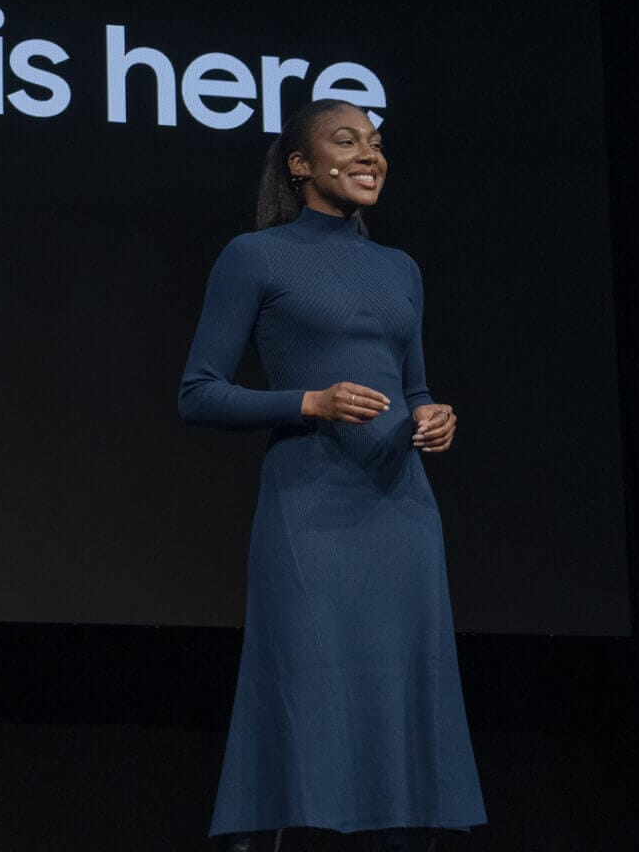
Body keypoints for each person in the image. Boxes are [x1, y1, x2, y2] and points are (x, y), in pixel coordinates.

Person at [177, 98, 486, 851]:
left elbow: (414, 385)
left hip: (401, 510)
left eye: (375, 143)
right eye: (346, 141)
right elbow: (198, 392)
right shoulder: (255, 257)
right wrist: (309, 401)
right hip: (310, 512)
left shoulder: (400, 268)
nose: (369, 155)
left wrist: (433, 414)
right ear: (300, 165)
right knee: (306, 694)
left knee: (404, 692)